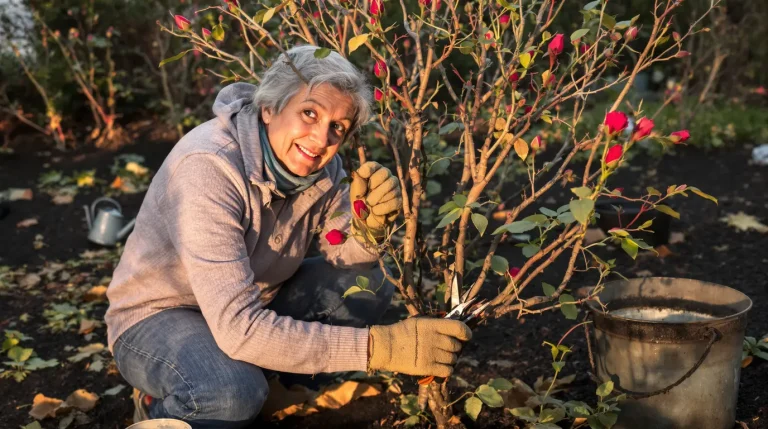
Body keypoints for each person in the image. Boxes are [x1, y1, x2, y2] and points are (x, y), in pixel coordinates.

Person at [104, 45, 471, 428]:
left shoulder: (322, 172)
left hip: (252, 302)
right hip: (158, 318)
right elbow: (239, 327)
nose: (320, 139)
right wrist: (382, 348)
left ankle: (261, 387)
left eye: (337, 128)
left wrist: (369, 228)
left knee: (366, 285)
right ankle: (164, 405)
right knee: (231, 392)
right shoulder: (208, 168)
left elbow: (343, 256)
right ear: (269, 108)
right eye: (309, 113)